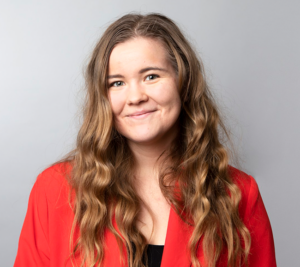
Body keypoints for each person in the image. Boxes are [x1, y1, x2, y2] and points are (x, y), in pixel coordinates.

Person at [14, 13, 276, 267]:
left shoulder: (237, 194)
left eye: (151, 76)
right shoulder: (56, 189)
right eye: (116, 83)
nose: (135, 96)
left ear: (183, 82)